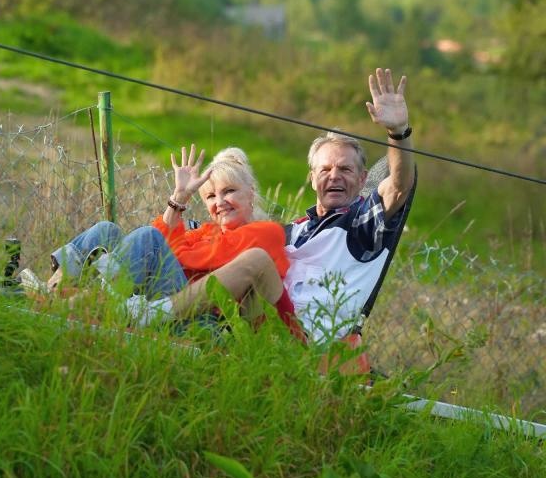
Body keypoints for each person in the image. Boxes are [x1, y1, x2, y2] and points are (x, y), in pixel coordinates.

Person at [46, 145, 300, 331]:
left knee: (148, 239)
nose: (220, 202)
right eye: (211, 196)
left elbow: (174, 249)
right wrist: (179, 198)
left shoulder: (266, 232)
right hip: (164, 301)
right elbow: (163, 243)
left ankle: (87, 298)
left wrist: (164, 248)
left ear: (251, 194)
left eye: (229, 191)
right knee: (106, 230)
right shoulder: (205, 233)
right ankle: (54, 287)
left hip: (202, 320)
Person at [284, 68, 415, 342]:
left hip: (309, 345)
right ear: (311, 179)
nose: (334, 176)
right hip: (263, 330)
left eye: (345, 169)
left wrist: (398, 132)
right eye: (325, 169)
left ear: (362, 179)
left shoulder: (361, 225)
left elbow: (400, 185)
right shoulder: (293, 231)